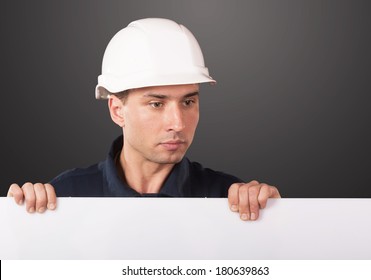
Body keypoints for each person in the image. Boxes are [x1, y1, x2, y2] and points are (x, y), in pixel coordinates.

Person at [7, 18, 280, 221]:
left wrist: (279, 222)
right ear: (117, 110)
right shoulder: (65, 196)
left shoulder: (231, 200)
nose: (178, 123)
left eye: (188, 101)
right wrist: (17, 227)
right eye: (156, 103)